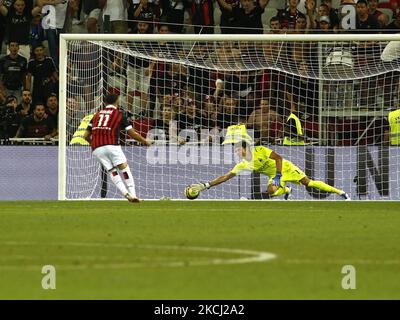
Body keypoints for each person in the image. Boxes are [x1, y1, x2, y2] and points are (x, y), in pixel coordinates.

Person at [189, 124, 351, 200]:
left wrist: (279, 175)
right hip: (275, 174)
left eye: (238, 149)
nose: (236, 152)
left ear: (245, 147)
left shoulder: (260, 151)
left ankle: (340, 192)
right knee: (271, 191)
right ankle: (286, 190)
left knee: (309, 183)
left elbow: (278, 158)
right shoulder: (243, 164)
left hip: (285, 167)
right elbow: (225, 177)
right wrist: (206, 185)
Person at [83, 94, 153, 203]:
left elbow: (85, 136)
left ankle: (126, 194)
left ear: (104, 103)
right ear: (117, 102)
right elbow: (132, 133)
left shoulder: (96, 115)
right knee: (124, 168)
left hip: (97, 148)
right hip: (112, 145)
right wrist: (144, 141)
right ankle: (133, 195)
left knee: (112, 171)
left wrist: (94, 145)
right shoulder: (119, 115)